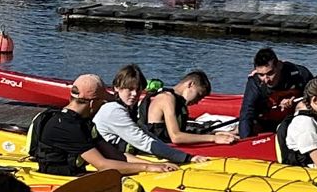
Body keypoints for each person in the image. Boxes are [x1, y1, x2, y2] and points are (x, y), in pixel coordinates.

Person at [25, 72, 175, 175]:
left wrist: (156, 166)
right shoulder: (65, 126)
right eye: (102, 102)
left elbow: (115, 155)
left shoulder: (84, 123)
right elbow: (102, 165)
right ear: (92, 103)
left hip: (76, 175)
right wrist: (147, 167)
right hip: (59, 180)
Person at [91, 66, 192, 167]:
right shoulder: (113, 110)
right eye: (130, 89)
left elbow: (145, 133)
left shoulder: (128, 108)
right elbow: (142, 140)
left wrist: (175, 153)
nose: (134, 94)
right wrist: (185, 158)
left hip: (121, 155)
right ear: (117, 88)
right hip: (107, 159)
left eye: (138, 90)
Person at [142, 69, 243, 148]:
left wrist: (218, 134)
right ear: (190, 84)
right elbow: (176, 137)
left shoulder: (177, 101)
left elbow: (181, 132)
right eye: (199, 95)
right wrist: (214, 138)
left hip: (167, 143)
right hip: (158, 147)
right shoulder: (166, 98)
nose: (198, 101)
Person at [236, 46, 315, 137]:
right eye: (261, 75)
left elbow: (315, 97)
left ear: (279, 66)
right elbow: (247, 113)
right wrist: (246, 141)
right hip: (266, 120)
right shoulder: (254, 82)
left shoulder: (300, 74)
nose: (266, 80)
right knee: (249, 125)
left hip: (294, 119)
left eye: (270, 73)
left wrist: (297, 102)